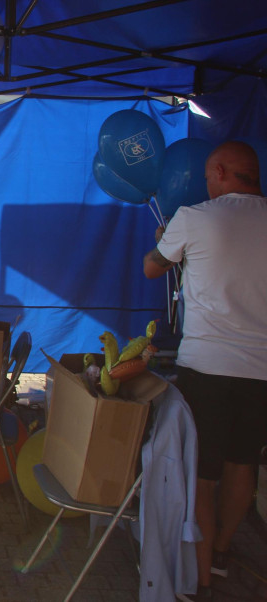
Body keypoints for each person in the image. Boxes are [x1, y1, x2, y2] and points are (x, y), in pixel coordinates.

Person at [142, 140, 267, 602]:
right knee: (242, 466)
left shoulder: (194, 217)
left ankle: (200, 576)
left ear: (217, 171)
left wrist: (164, 241)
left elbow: (152, 269)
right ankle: (220, 550)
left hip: (208, 366)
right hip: (262, 371)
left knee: (202, 472)